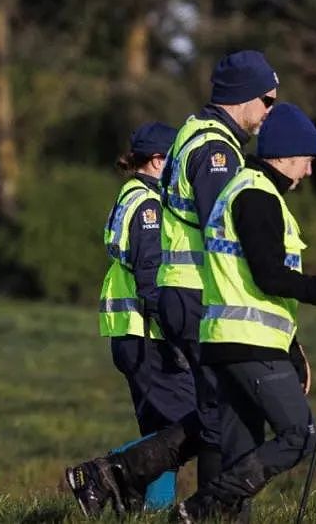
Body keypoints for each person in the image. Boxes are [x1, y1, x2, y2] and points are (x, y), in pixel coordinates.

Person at [66, 50, 280, 516]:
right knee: (207, 416)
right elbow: (161, 263)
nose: (271, 110)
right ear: (157, 160)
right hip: (154, 328)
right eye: (267, 99)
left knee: (190, 418)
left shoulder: (145, 189)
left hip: (153, 324)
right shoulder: (152, 198)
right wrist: (168, 324)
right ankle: (127, 483)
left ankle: (143, 499)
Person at [173, 104, 316, 521]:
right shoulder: (257, 195)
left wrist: (293, 349)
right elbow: (270, 277)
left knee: (239, 453)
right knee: (300, 436)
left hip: (226, 343)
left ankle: (208, 513)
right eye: (307, 161)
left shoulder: (244, 190)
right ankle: (200, 507)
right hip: (249, 344)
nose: (309, 172)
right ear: (284, 156)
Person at [96, 122, 195, 511]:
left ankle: (149, 509)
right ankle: (105, 472)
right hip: (148, 334)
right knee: (189, 426)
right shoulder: (150, 206)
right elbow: (151, 277)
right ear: (157, 161)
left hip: (131, 334)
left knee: (159, 432)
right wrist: (176, 336)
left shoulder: (131, 196)